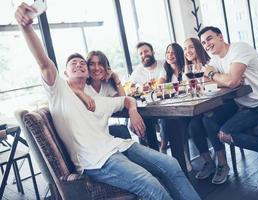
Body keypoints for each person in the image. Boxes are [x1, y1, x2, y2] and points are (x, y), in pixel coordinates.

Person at [15, 3, 202, 200]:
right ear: (65, 73)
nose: (79, 65)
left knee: (171, 164)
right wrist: (26, 27)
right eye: (73, 64)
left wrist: (133, 111)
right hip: (96, 161)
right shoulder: (59, 90)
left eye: (82, 63)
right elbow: (43, 62)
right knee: (150, 184)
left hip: (118, 146)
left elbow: (127, 99)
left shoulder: (100, 97)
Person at [199, 26, 258, 199]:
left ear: (220, 37)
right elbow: (208, 84)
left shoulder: (239, 49)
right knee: (224, 134)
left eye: (210, 38)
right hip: (251, 107)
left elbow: (230, 80)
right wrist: (225, 79)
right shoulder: (214, 60)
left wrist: (219, 76)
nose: (207, 44)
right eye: (203, 42)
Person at [183, 37, 238, 184]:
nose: (187, 51)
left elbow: (221, 84)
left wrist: (206, 81)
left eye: (191, 47)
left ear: (198, 48)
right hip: (205, 107)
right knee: (193, 125)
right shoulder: (188, 70)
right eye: (185, 49)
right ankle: (208, 162)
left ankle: (222, 163)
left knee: (209, 120)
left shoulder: (211, 63)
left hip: (225, 104)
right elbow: (192, 91)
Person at [129, 42, 164, 151]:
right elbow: (129, 89)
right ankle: (153, 152)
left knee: (166, 122)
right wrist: (139, 89)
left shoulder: (163, 64)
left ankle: (162, 146)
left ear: (152, 52)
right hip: (149, 107)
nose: (144, 55)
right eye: (141, 53)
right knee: (143, 120)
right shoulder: (138, 71)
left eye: (146, 51)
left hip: (166, 105)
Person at [157, 43, 185, 153]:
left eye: (173, 52)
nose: (170, 55)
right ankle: (163, 147)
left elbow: (187, 86)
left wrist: (170, 88)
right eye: (168, 52)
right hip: (172, 108)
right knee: (164, 119)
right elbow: (159, 88)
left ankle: (164, 147)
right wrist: (178, 87)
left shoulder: (185, 68)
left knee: (167, 121)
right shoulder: (165, 70)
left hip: (185, 108)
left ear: (179, 54)